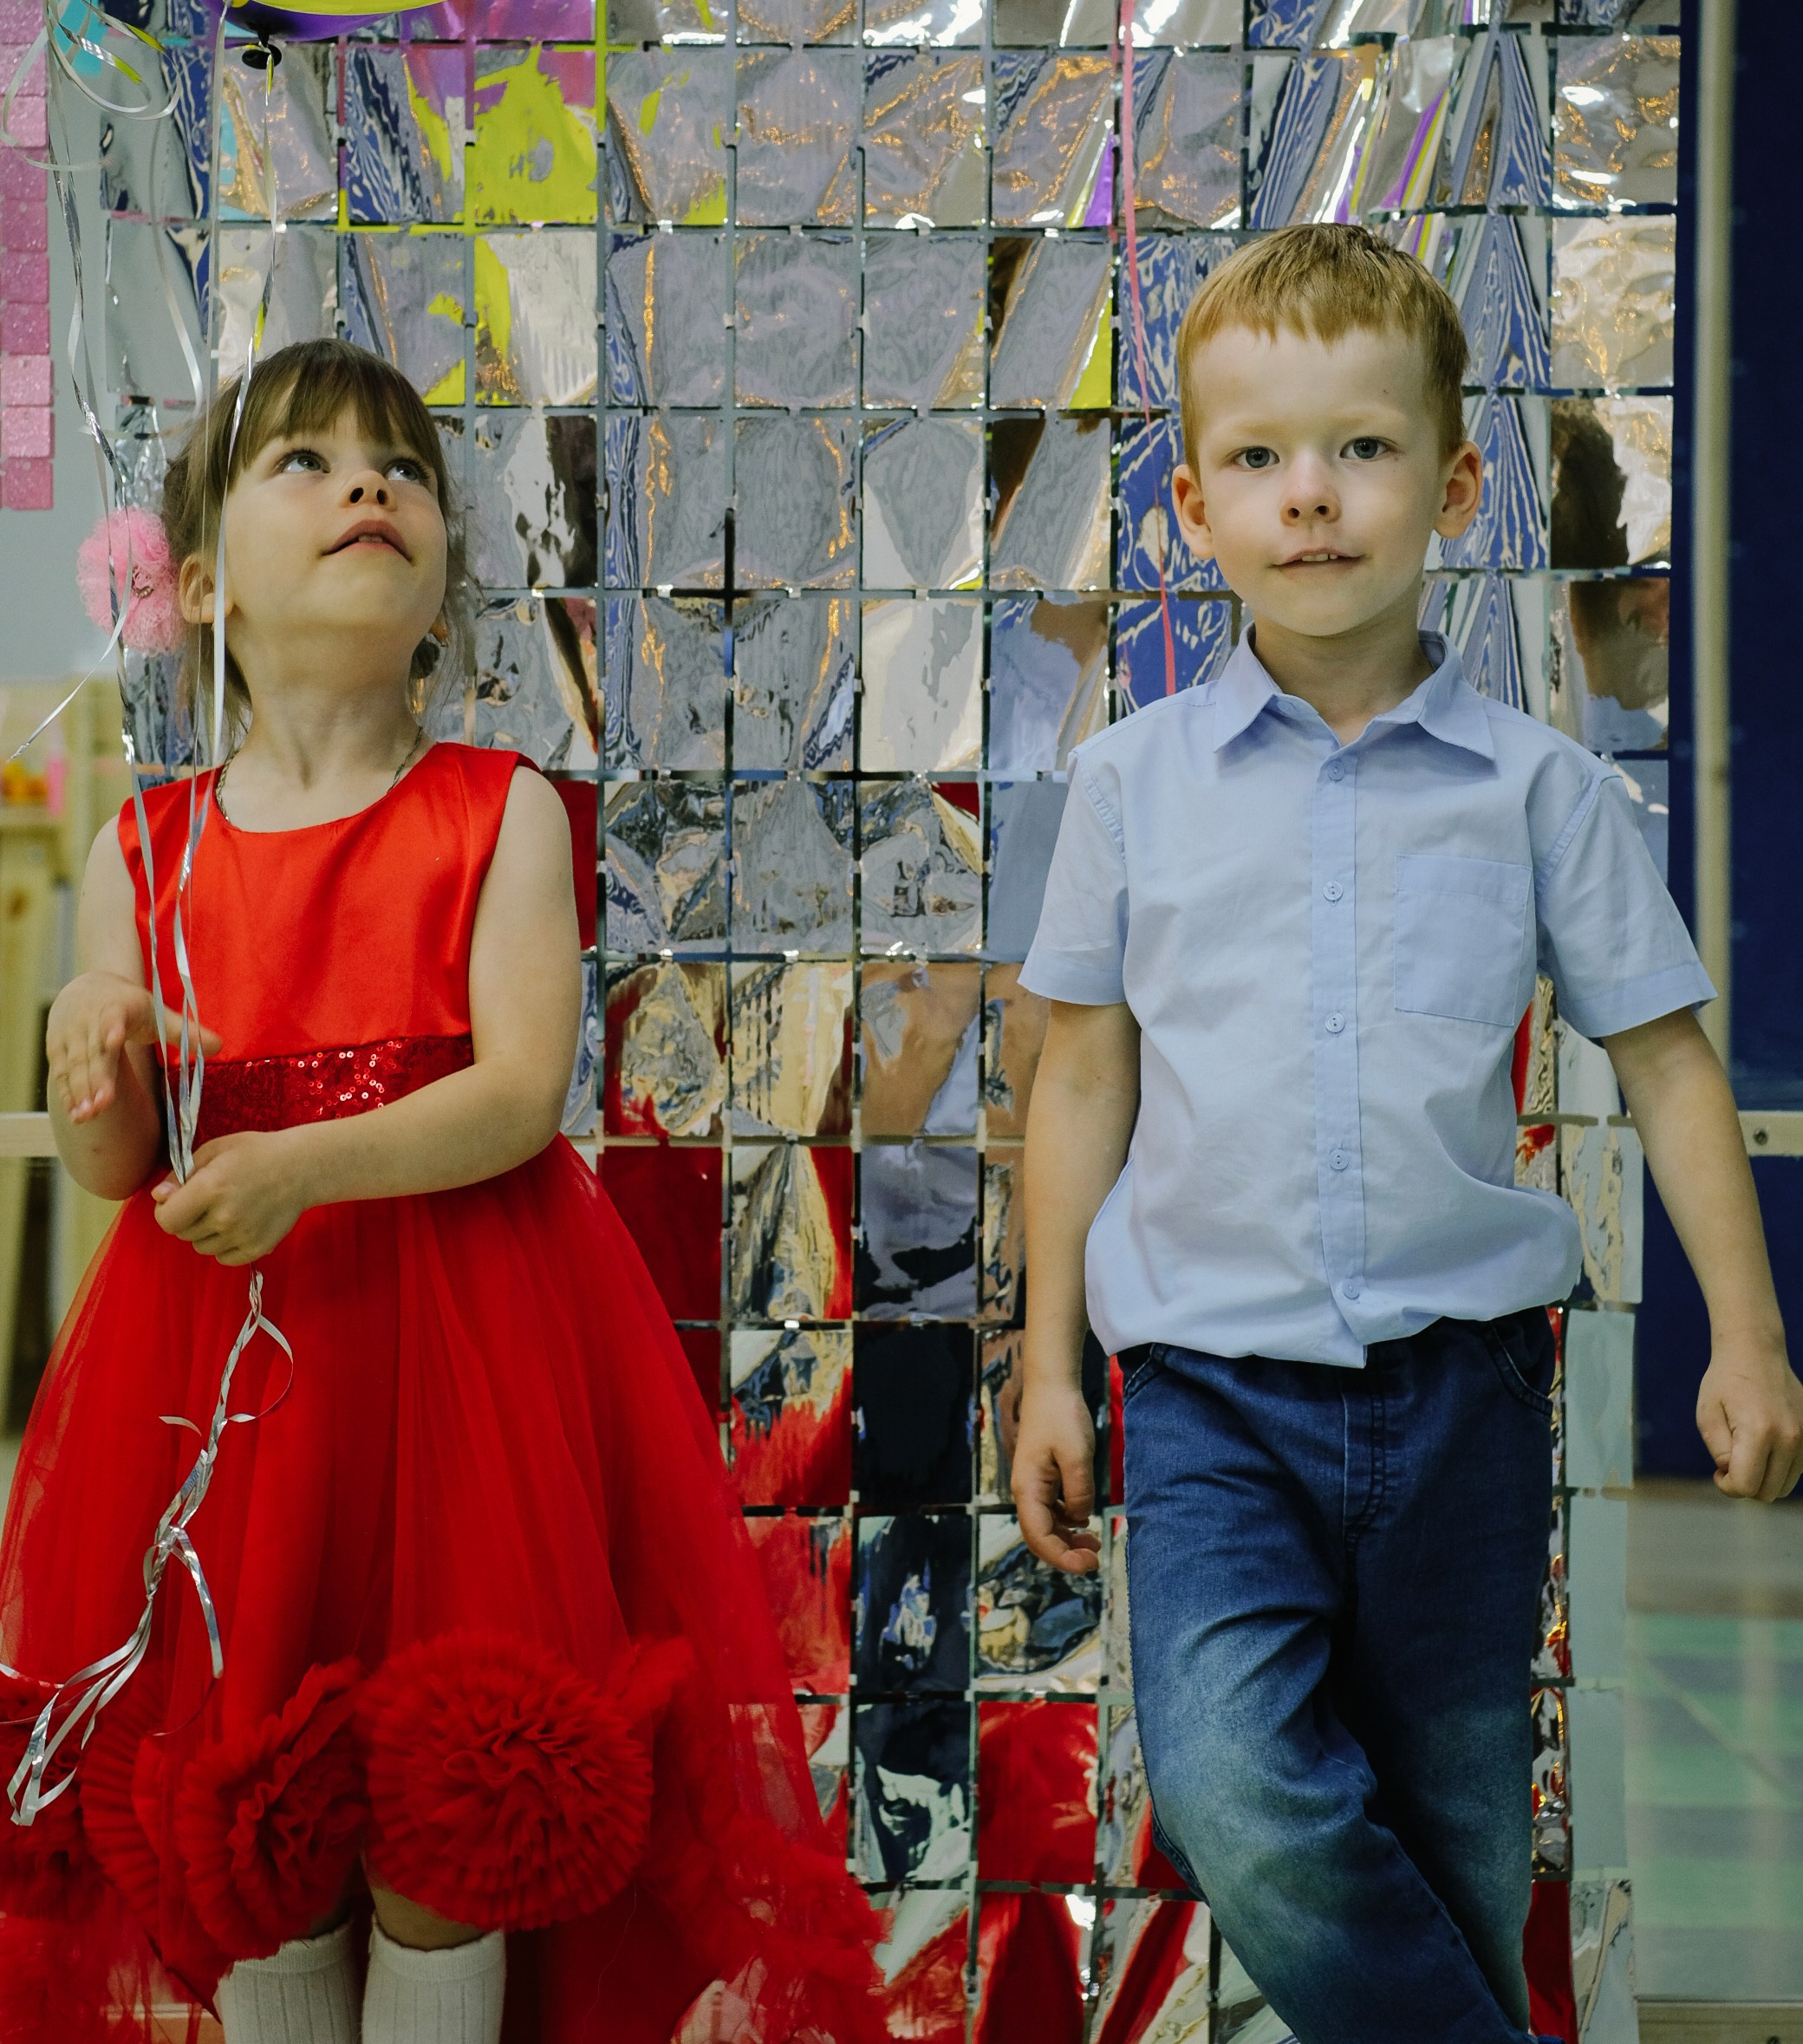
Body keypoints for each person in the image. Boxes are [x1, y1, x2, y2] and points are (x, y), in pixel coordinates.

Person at [4, 339, 881, 2044]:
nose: (367, 487)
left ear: (441, 585)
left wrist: (308, 1164)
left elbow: (513, 1095)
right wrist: (85, 1038)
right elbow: (127, 1168)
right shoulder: (145, 847)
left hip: (465, 1371)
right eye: (307, 464)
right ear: (196, 586)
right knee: (260, 1827)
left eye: (399, 467)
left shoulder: (496, 814)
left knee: (453, 1817)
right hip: (238, 1394)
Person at [1011, 224, 1803, 2044]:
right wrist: (1047, 1359)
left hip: (1459, 1391)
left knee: (1453, 1839)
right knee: (1230, 1788)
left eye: (1358, 449)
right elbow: (1076, 1081)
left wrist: (1747, 1339)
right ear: (1191, 507)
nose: (1310, 499)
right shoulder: (1129, 787)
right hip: (1206, 1389)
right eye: (1257, 460)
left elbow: (1671, 1065)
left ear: (1449, 484)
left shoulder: (1536, 791)